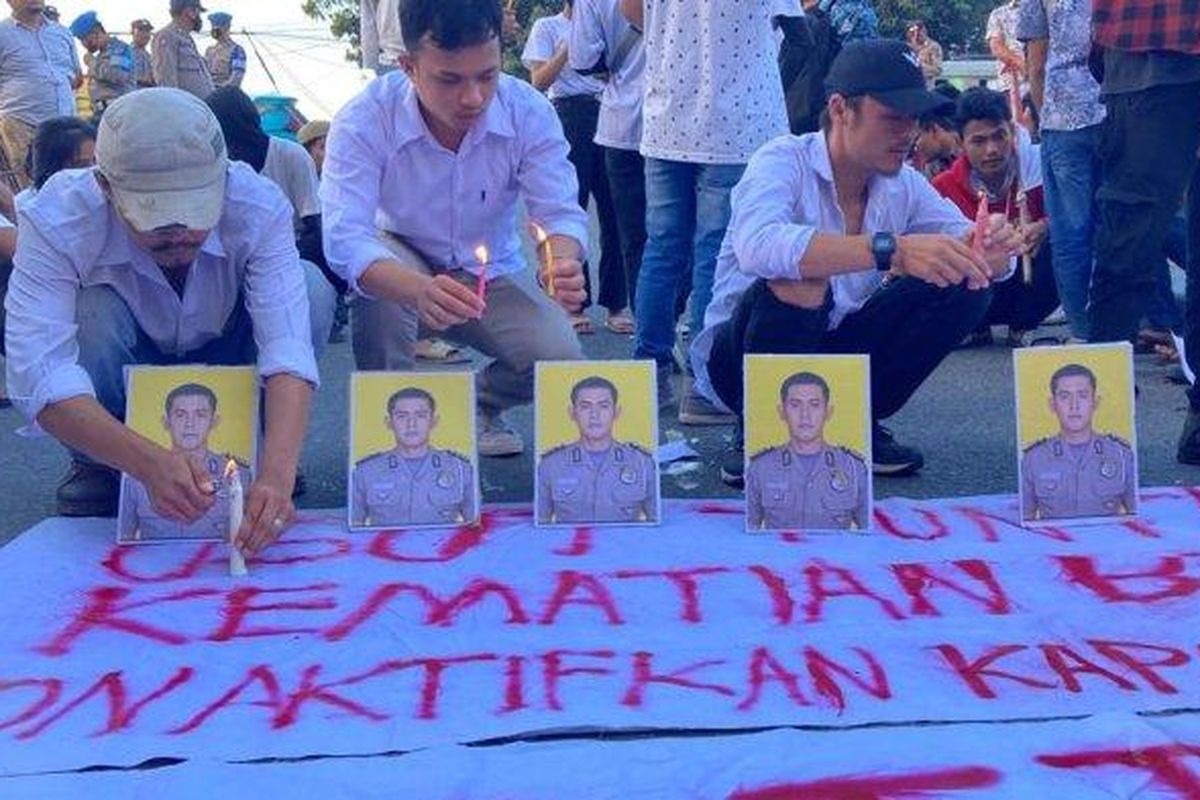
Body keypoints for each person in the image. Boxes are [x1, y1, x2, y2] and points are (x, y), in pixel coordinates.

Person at [3, 89, 336, 554]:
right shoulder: (56, 217)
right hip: (127, 354)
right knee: (89, 314)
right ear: (104, 187)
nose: (178, 232)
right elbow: (39, 371)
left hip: (228, 344)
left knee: (312, 287)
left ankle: (261, 452)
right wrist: (147, 462)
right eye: (155, 215)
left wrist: (278, 471)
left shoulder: (258, 204)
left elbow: (288, 346)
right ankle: (100, 463)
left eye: (196, 210)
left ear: (223, 180)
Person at [690, 40, 1022, 486]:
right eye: (893, 117)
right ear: (840, 109)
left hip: (838, 343)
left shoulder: (902, 182)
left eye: (914, 118)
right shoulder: (782, 159)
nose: (908, 132)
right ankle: (761, 425)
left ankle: (857, 416)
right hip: (741, 359)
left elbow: (966, 241)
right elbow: (758, 245)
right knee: (801, 276)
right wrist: (891, 249)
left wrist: (990, 248)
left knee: (964, 279)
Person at [321, 0, 588, 459]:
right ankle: (388, 432)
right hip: (401, 261)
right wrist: (416, 289)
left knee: (560, 358)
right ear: (407, 67)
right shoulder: (364, 118)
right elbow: (346, 236)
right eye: (449, 80)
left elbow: (558, 211)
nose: (473, 98)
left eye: (487, 76)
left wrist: (561, 261)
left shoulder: (527, 110)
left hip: (485, 270)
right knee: (378, 289)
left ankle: (472, 407)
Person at [619, 0, 797, 424]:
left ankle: (649, 375)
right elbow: (795, 17)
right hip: (736, 119)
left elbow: (630, 10)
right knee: (714, 256)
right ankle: (703, 387)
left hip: (667, 115)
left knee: (662, 250)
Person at [1081, 2, 1199, 466]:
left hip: (1146, 39)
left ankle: (1095, 438)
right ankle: (1094, 432)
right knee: (1127, 241)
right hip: (1149, 35)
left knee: (1127, 237)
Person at [523, 1, 624, 336]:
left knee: (614, 212)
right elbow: (538, 80)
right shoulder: (547, 27)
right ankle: (572, 304)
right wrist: (571, 48)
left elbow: (614, 71)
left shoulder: (608, 23)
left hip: (608, 112)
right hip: (568, 113)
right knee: (570, 208)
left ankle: (616, 303)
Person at [932, 87, 1057, 347]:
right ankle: (972, 326)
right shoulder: (942, 187)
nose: (992, 150)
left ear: (1012, 132)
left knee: (1062, 241)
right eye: (978, 141)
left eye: (999, 136)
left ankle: (1024, 326)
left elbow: (1074, 221)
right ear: (960, 143)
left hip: (1027, 287)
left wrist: (1044, 227)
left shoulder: (1038, 170)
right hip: (973, 290)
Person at [1017, 0, 1104, 344]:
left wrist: (1045, 117)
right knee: (1123, 222)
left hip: (1063, 117)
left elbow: (1036, 65)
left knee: (1070, 232)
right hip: (1116, 110)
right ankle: (1148, 319)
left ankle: (1084, 331)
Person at [205, 87, 345, 299]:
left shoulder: (291, 155)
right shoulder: (220, 166)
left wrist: (270, 263)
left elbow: (316, 230)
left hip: (294, 258)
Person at [569, 0, 644, 336]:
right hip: (686, 123)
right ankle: (643, 315)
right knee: (679, 235)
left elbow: (583, 60)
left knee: (627, 229)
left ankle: (645, 325)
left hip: (622, 121)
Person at [118, 383, 252, 541]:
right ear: (166, 421)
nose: (190, 424)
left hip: (216, 557)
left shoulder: (239, 476)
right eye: (180, 415)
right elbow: (124, 539)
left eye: (200, 415)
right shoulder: (137, 477)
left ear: (214, 421)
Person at [747, 371, 868, 531]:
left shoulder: (853, 467)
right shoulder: (761, 467)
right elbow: (748, 530)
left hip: (835, 548)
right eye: (795, 405)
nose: (805, 415)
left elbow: (869, 530)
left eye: (815, 405)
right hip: (780, 548)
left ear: (828, 411)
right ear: (782, 411)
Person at [536, 375, 657, 524]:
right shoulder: (551, 464)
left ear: (616, 412)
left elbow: (656, 521)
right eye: (585, 407)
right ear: (572, 413)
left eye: (604, 406)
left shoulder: (642, 463)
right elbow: (540, 523)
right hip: (573, 540)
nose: (594, 415)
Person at [1022, 363, 1136, 520]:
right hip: (1054, 536)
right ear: (1053, 404)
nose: (1074, 406)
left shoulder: (1121, 455)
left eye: (1082, 396)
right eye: (1064, 396)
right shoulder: (1033, 458)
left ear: (1095, 402)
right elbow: (1025, 519)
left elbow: (1137, 515)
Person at [350, 387, 476, 527]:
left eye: (420, 415)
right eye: (402, 416)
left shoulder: (460, 470)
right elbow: (354, 525)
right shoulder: (365, 472)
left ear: (434, 421)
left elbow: (476, 525)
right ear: (389, 422)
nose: (411, 424)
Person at [0, 0, 80, 190]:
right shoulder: (3, 34)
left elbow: (75, 75)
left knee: (69, 186)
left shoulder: (62, 33)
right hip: (21, 124)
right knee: (29, 190)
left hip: (65, 125)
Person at [68, 12, 135, 120]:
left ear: (97, 32)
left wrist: (92, 63)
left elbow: (117, 75)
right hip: (102, 111)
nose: (84, 45)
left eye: (85, 40)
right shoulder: (101, 55)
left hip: (118, 111)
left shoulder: (119, 49)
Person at [153, 0, 215, 100]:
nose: (199, 17)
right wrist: (175, 105)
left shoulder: (187, 38)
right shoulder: (167, 36)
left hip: (200, 105)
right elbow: (166, 79)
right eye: (198, 11)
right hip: (186, 106)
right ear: (190, 12)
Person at [910, 88, 961, 180]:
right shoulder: (935, 165)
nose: (916, 145)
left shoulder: (971, 160)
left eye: (918, 137)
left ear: (933, 129)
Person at [986, 0, 1024, 94]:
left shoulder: (1052, 9)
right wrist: (1024, 67)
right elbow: (996, 47)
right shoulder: (999, 14)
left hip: (1047, 83)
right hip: (1012, 84)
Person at [360, 0, 404, 75]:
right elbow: (369, 23)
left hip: (422, 58)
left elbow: (368, 24)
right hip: (392, 61)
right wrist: (369, 69)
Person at [205, 11, 245, 89]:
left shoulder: (237, 51)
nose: (215, 31)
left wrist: (221, 91)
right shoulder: (209, 50)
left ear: (227, 27)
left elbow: (237, 77)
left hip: (225, 91)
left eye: (218, 27)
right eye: (213, 27)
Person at [905, 20, 942, 87]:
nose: (915, 36)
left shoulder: (933, 47)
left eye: (918, 33)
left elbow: (937, 70)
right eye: (912, 33)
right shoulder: (906, 47)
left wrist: (918, 68)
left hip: (926, 87)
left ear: (924, 32)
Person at [131, 19, 155, 87]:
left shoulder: (150, 57)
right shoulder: (126, 53)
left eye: (147, 31)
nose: (145, 34)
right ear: (133, 32)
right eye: (141, 30)